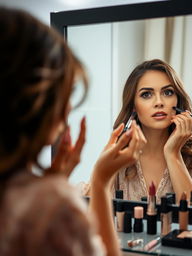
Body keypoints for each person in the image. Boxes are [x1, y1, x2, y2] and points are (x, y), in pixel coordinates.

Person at [0, 7, 143, 256]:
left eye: (167, 92)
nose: (68, 108)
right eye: (64, 93)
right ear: (34, 99)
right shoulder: (51, 206)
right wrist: (100, 181)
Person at [112, 59, 192, 204]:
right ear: (133, 106)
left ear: (177, 100)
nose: (159, 102)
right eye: (147, 94)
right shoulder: (119, 156)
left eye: (167, 92)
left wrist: (173, 153)